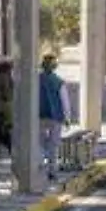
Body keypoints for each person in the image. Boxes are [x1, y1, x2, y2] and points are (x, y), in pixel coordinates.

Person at [39, 54, 67, 183]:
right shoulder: (59, 81)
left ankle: (40, 168)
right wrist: (67, 117)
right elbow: (64, 101)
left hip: (39, 116)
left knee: (40, 144)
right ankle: (52, 171)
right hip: (55, 117)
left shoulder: (36, 80)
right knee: (53, 146)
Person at [0, 59, 15, 180]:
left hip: (0, 113)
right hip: (3, 114)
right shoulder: (4, 78)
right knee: (8, 143)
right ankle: (16, 168)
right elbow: (7, 95)